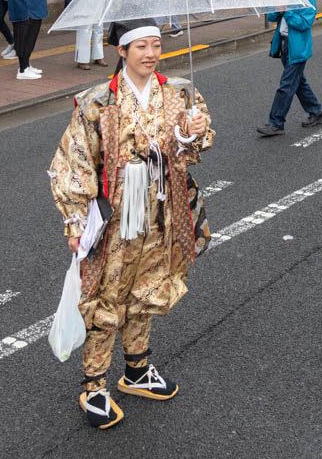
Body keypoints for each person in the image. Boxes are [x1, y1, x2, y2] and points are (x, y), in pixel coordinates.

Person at [48, 21, 214, 430]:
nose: (151, 53)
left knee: (149, 287)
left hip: (162, 210)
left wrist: (193, 133)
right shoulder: (97, 100)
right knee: (106, 295)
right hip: (115, 216)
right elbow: (75, 160)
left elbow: (196, 147)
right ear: (122, 50)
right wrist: (75, 220)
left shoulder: (178, 92)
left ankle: (137, 370)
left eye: (156, 45)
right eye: (141, 46)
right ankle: (93, 386)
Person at [258, 0, 322, 135]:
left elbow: (304, 24)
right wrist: (277, 3)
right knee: (298, 82)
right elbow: (273, 17)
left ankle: (276, 122)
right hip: (284, 44)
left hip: (298, 48)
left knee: (286, 85)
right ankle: (316, 110)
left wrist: (287, 9)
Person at [9, 0, 52, 80]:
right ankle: (22, 69)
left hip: (26, 6)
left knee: (27, 39)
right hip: (27, 8)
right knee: (25, 39)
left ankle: (26, 65)